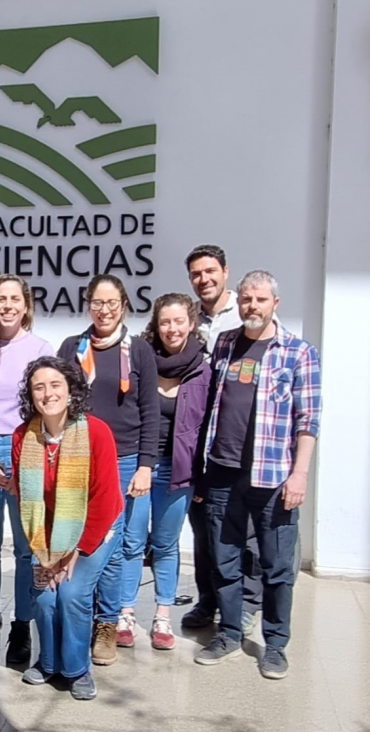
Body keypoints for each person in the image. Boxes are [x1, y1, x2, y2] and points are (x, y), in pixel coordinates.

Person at [194, 271, 320, 680]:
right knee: (224, 559)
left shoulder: (298, 353)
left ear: (275, 304)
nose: (252, 306)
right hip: (223, 472)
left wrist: (299, 475)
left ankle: (276, 644)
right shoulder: (226, 344)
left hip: (273, 477)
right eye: (246, 299)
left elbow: (308, 421)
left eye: (260, 300)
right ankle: (229, 633)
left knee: (277, 565)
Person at [57, 274, 158, 665]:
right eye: (97, 302)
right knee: (76, 538)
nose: (104, 310)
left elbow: (150, 412)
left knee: (114, 548)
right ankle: (78, 617)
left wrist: (146, 465)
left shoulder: (140, 352)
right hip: (78, 458)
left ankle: (106, 625)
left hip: (124, 459)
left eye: (111, 303)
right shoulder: (72, 348)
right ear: (87, 304)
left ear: (124, 306)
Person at [13, 357, 123, 701]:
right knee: (45, 595)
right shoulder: (23, 436)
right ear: (31, 396)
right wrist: (45, 554)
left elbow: (106, 499)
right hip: (47, 533)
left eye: (55, 384)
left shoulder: (96, 432)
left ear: (71, 390)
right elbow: (29, 503)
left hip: (95, 529)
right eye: (39, 387)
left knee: (72, 593)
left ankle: (76, 670)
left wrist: (75, 551)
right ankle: (48, 664)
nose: (48, 393)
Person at [0, 274, 54, 663]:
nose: (7, 306)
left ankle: (21, 627)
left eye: (14, 299)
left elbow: (48, 411)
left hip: (25, 452)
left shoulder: (41, 349)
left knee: (24, 550)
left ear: (25, 304)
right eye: (0, 299)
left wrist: (26, 463)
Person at [121, 294, 211, 650]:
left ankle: (162, 615)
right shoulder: (140, 361)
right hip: (139, 465)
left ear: (190, 323)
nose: (171, 329)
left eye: (178, 321)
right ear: (155, 326)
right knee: (131, 542)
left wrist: (202, 475)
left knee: (165, 544)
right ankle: (124, 613)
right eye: (165, 322)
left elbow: (208, 427)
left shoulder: (203, 368)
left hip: (179, 472)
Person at [184, 244, 262, 633]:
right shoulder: (190, 318)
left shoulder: (247, 312)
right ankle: (208, 600)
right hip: (201, 439)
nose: (204, 279)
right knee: (204, 524)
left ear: (225, 272)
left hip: (240, 439)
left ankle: (247, 601)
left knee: (243, 528)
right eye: (196, 274)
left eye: (210, 271)